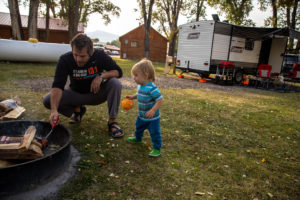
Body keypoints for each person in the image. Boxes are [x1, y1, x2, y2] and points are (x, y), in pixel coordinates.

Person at [43, 33, 124, 138]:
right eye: (75, 54)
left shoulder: (99, 56)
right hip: (75, 94)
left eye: (82, 56)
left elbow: (119, 72)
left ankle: (112, 122)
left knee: (115, 83)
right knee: (47, 100)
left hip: (96, 94)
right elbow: (57, 86)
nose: (78, 59)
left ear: (91, 52)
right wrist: (54, 110)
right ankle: (78, 111)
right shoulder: (65, 60)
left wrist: (101, 76)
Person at [125, 59, 163, 157]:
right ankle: (138, 138)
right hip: (142, 115)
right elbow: (139, 94)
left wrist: (153, 110)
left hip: (152, 118)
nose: (134, 78)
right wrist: (132, 97)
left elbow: (160, 100)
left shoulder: (152, 88)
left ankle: (157, 148)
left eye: (136, 75)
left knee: (155, 133)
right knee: (138, 127)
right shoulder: (140, 86)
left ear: (145, 75)